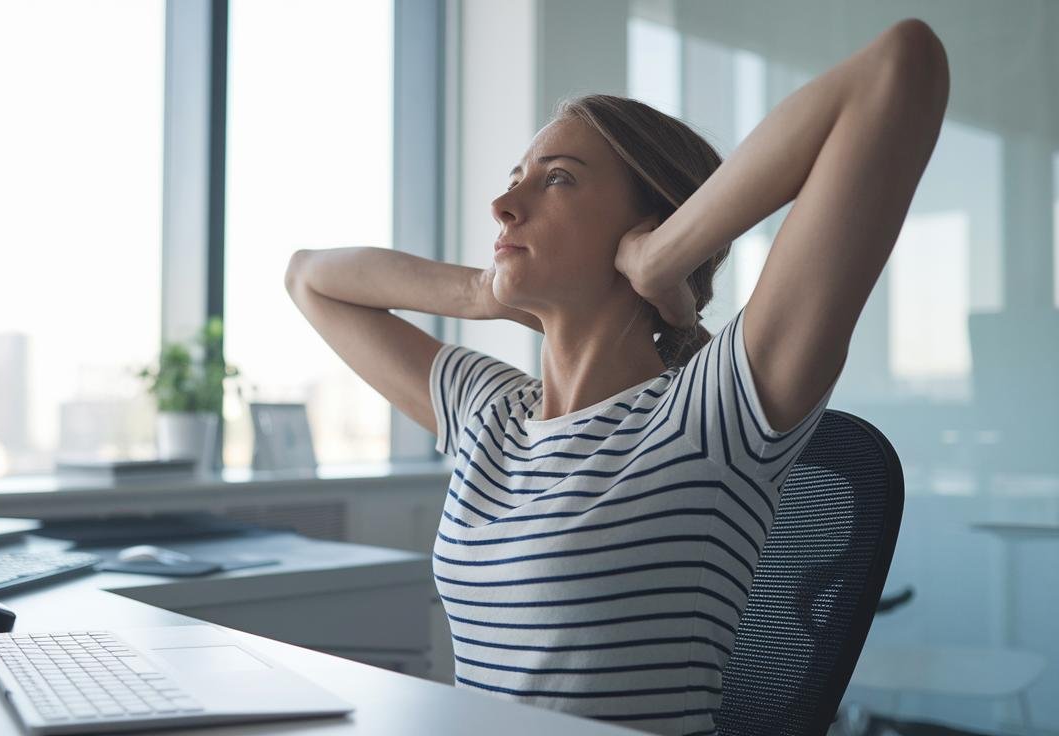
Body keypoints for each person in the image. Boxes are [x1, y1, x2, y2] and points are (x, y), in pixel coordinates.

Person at [285, 18, 949, 736]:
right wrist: (482, 291)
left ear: (657, 219)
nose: (504, 206)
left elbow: (899, 68)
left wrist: (663, 259)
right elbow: (307, 278)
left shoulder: (713, 413)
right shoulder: (490, 414)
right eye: (514, 180)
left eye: (558, 178)